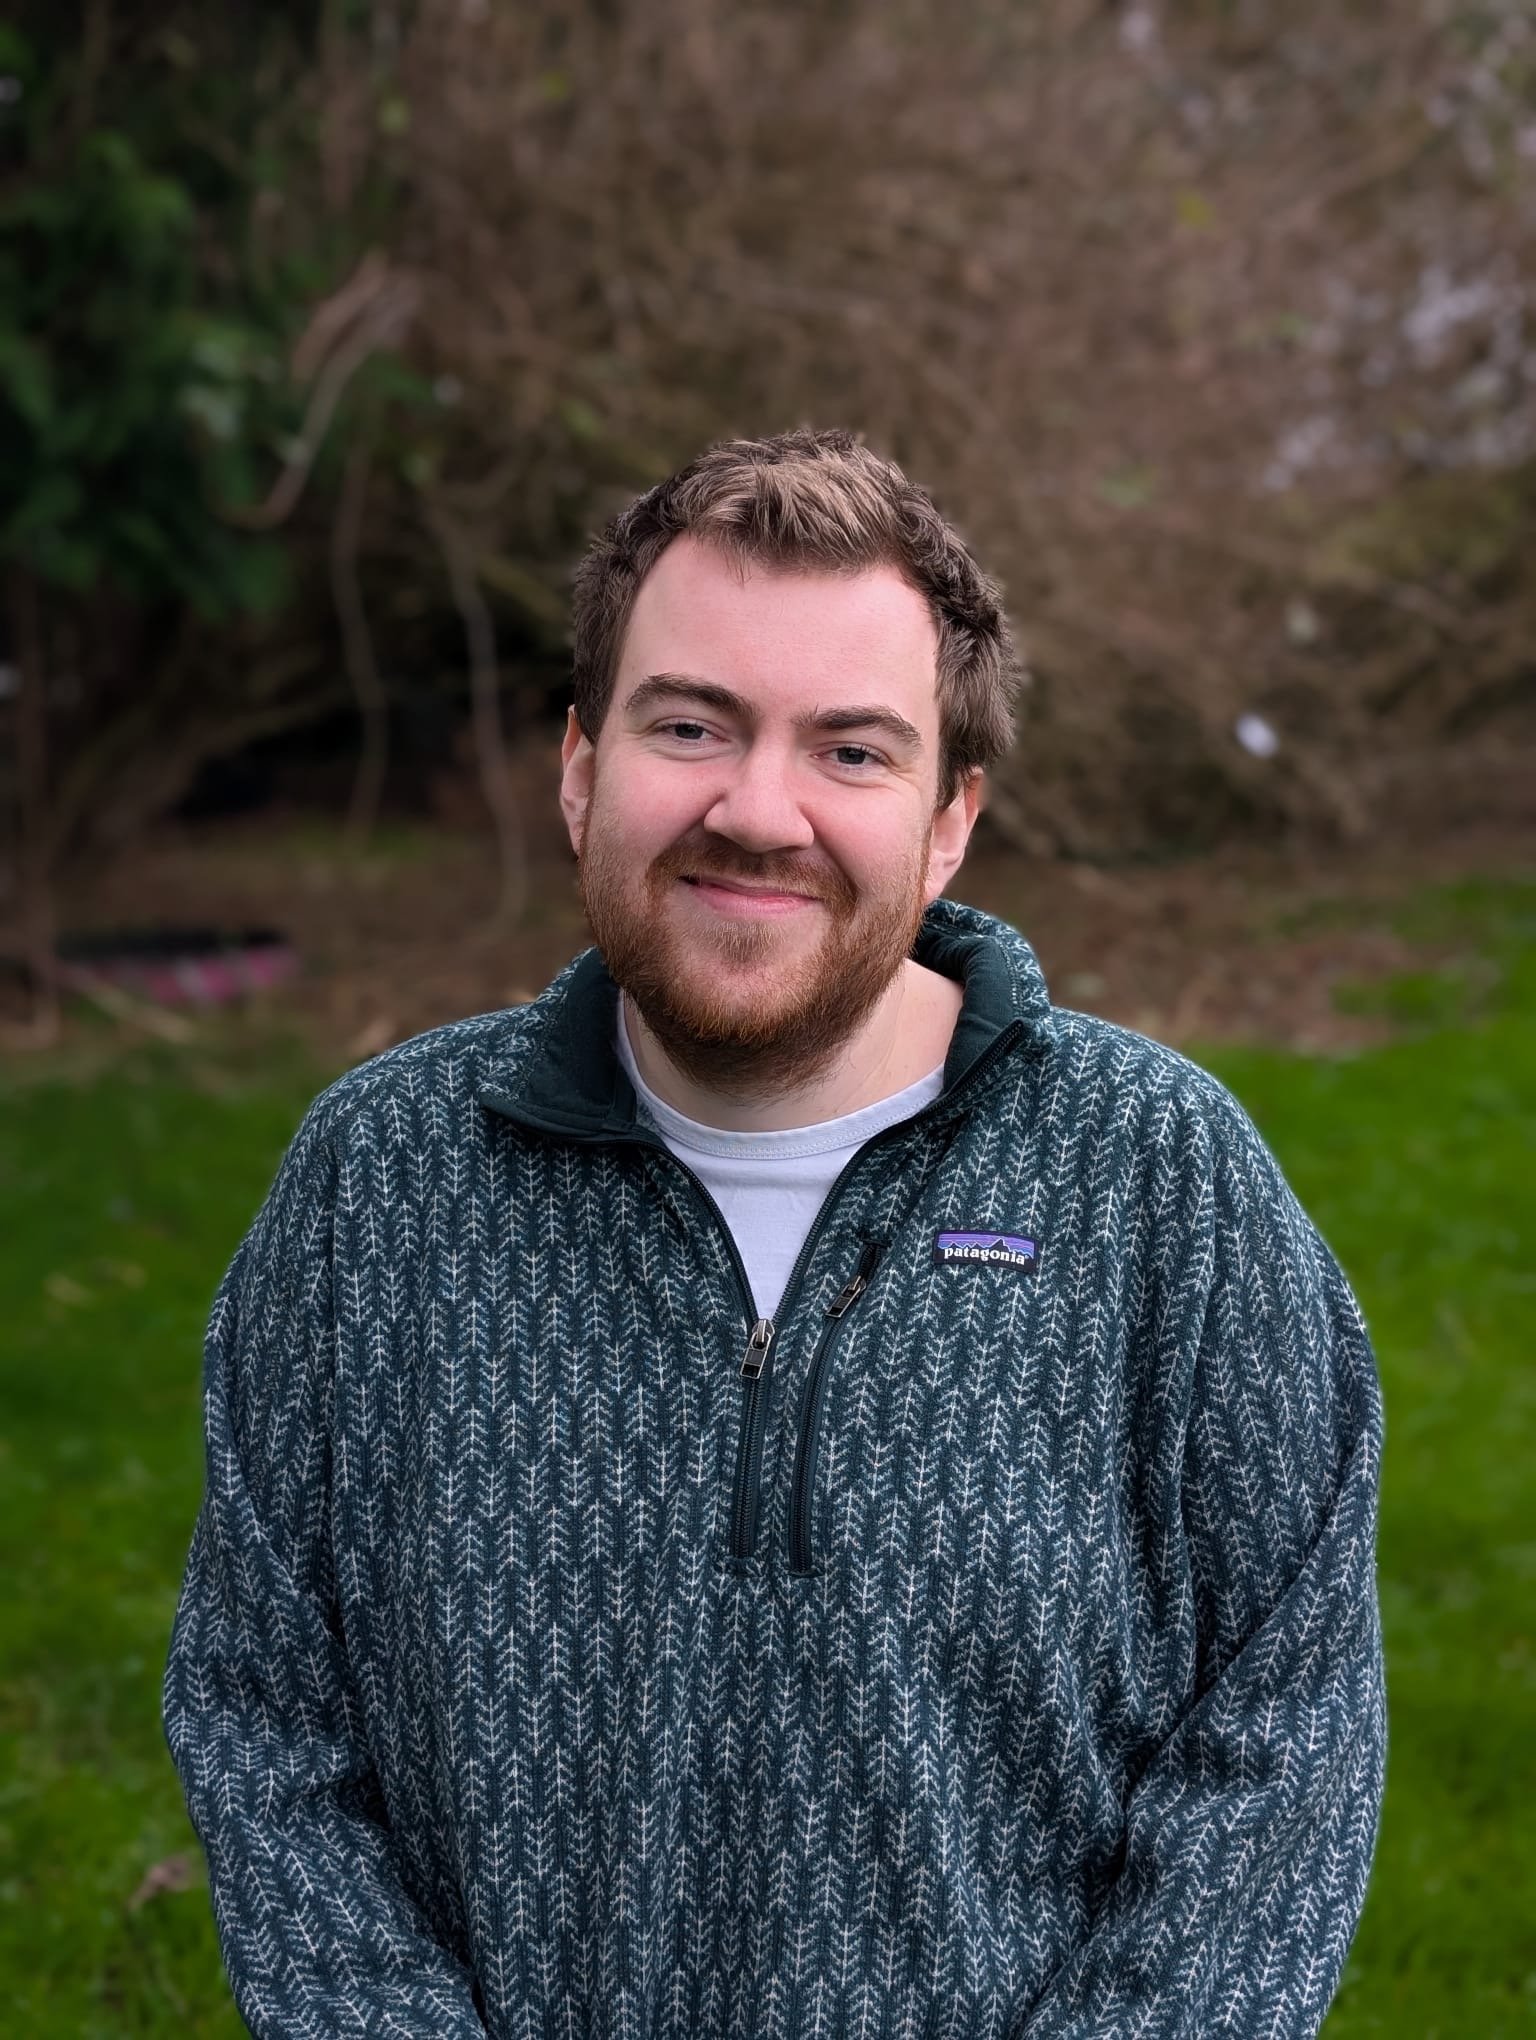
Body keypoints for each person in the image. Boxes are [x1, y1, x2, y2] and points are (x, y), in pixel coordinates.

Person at [163, 427, 1386, 2038]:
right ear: (582, 763)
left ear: (951, 820)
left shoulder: (1162, 1185)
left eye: (852, 752)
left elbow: (1287, 1741)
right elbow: (267, 1723)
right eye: (692, 724)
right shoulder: (377, 1187)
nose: (760, 810)